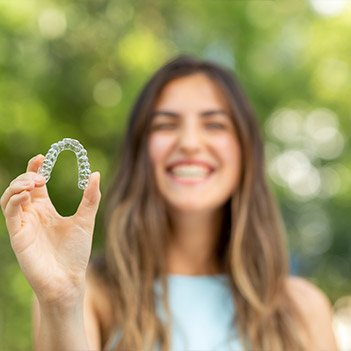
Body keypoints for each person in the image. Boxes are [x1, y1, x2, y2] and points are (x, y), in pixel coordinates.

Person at [0, 55, 337, 351]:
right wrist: (60, 303)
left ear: (245, 151)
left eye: (214, 124)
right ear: (141, 153)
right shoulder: (88, 295)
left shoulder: (303, 309)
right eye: (166, 124)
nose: (189, 142)